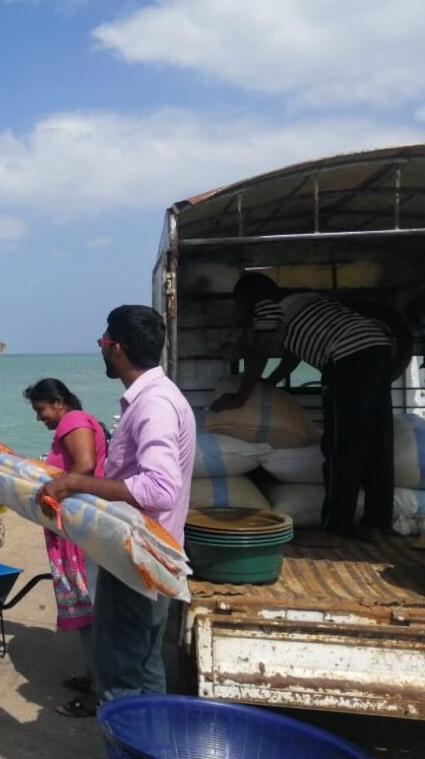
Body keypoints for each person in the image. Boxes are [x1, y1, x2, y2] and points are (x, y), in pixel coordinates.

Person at [36, 305, 196, 714]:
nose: (102, 350)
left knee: (120, 673)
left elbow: (159, 488)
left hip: (136, 559)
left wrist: (75, 483)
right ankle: (153, 733)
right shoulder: (157, 397)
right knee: (145, 662)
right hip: (154, 553)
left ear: (117, 348)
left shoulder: (153, 405)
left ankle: (126, 736)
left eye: (103, 342)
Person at [210, 273, 394, 542]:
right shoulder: (305, 301)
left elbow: (259, 353)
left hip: (348, 358)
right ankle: (376, 523)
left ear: (253, 296)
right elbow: (291, 358)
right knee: (377, 441)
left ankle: (334, 529)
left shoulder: (267, 306)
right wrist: (269, 384)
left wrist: (240, 396)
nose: (244, 311)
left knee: (341, 445)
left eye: (242, 304)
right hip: (379, 347)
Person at [23, 378, 108, 717]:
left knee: (92, 613)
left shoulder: (73, 421)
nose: (39, 417)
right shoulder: (75, 422)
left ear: (58, 402)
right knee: (88, 613)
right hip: (76, 527)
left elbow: (85, 465)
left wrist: (51, 488)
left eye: (41, 409)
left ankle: (100, 694)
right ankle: (94, 677)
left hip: (82, 531)